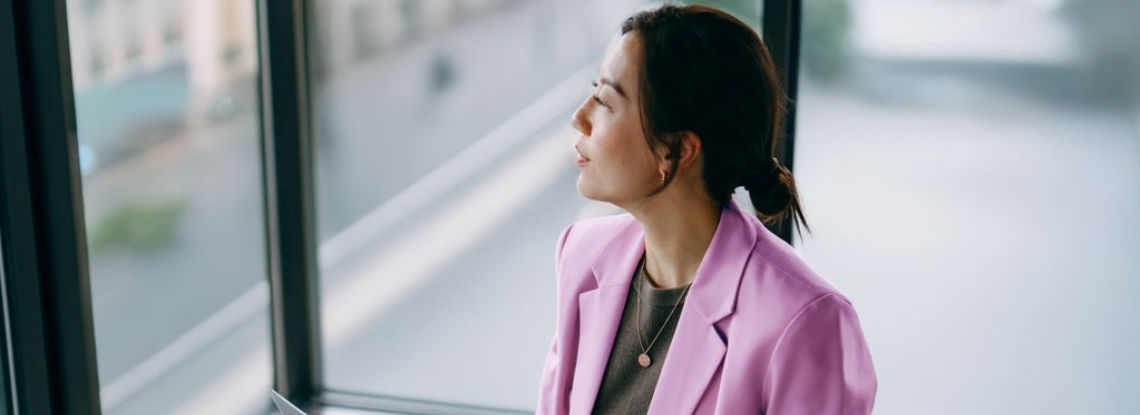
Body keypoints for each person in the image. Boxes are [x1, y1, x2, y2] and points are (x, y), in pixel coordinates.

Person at [535, 4, 876, 414]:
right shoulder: (582, 256)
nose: (580, 117)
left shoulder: (807, 322)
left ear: (677, 149)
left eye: (606, 102)